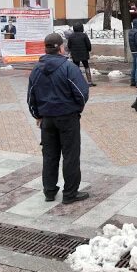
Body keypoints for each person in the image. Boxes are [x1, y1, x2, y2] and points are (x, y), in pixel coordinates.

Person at [27, 32, 90, 204]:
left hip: (47, 120)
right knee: (70, 155)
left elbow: (31, 97)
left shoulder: (36, 70)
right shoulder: (69, 68)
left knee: (49, 156)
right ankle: (70, 193)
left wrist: (38, 115)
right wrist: (77, 108)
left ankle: (49, 191)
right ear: (61, 48)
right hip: (67, 117)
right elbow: (81, 93)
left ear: (45, 48)